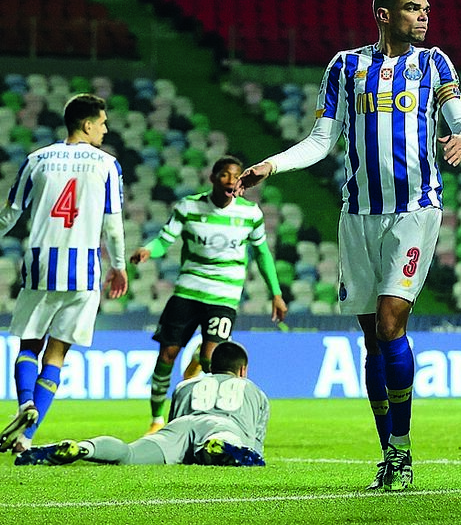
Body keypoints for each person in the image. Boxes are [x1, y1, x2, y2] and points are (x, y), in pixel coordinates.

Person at [234, 0, 461, 492]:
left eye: (426, 9)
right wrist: (273, 164)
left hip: (414, 210)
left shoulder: (435, 64)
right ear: (384, 14)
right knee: (372, 341)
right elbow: (322, 140)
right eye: (412, 8)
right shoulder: (345, 67)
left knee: (390, 323)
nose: (424, 16)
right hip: (358, 215)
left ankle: (403, 450)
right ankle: (389, 454)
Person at [0, 93, 128, 454]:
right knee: (56, 355)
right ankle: (26, 437)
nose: (105, 129)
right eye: (102, 123)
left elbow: (10, 214)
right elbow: (113, 226)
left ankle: (25, 403)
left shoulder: (36, 159)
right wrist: (118, 266)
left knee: (29, 344)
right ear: (87, 125)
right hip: (83, 272)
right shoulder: (108, 165)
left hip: (41, 265)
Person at [132, 156, 287, 436]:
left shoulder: (250, 214)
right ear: (213, 178)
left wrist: (275, 294)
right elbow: (164, 241)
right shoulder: (189, 207)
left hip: (224, 295)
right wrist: (148, 250)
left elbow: (262, 254)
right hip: (188, 290)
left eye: (236, 176)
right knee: (167, 354)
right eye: (225, 174)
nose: (231, 180)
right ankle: (156, 420)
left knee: (212, 361)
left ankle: (210, 418)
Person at [15, 340, 268, 466]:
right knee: (225, 444)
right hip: (223, 427)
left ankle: (83, 448)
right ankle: (220, 446)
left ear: (210, 366)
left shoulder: (185, 386)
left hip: (181, 426)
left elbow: (175, 424)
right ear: (242, 370)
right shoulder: (255, 392)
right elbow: (255, 450)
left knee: (130, 454)